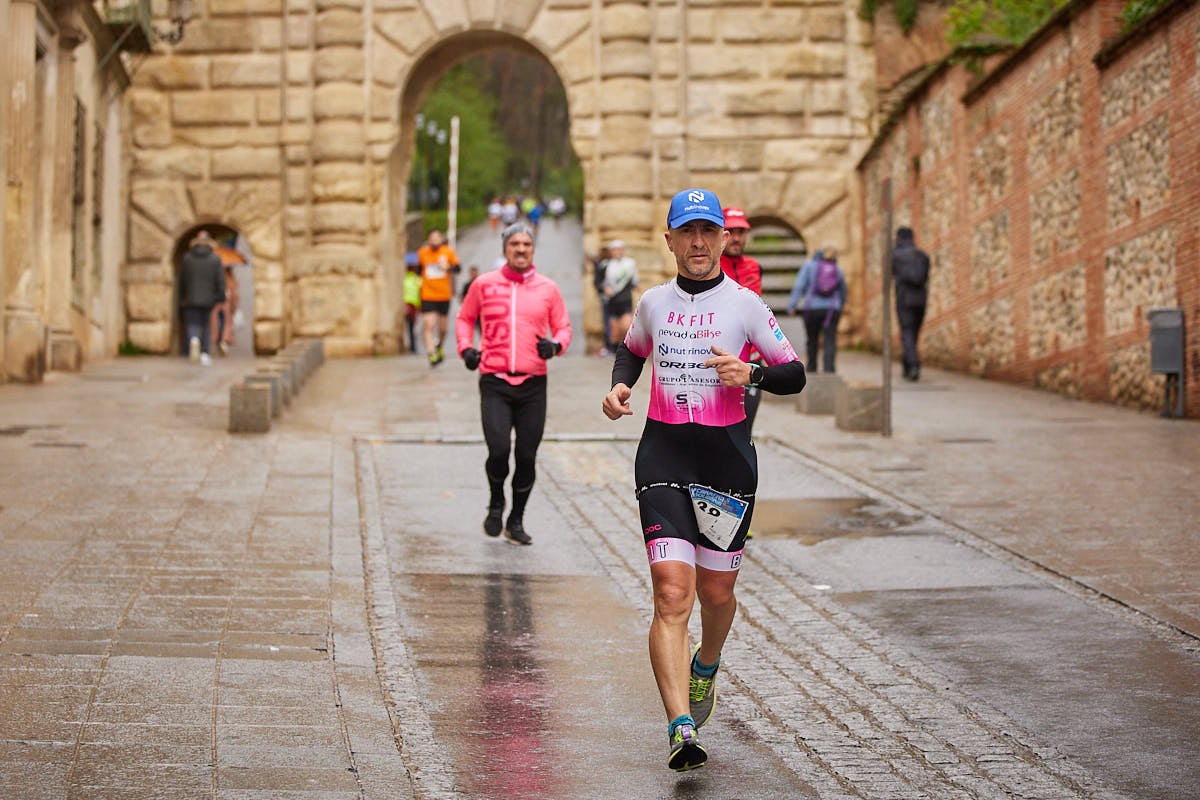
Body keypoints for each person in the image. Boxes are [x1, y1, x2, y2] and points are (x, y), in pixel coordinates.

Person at [601, 188, 806, 771]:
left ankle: (706, 664)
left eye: (708, 232)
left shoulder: (745, 304)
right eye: (687, 232)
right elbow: (631, 351)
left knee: (716, 595)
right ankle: (680, 726)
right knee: (672, 593)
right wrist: (621, 387)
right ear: (669, 240)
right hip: (663, 458)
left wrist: (752, 374)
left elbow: (795, 374)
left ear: (723, 239)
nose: (698, 243)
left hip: (726, 465)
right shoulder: (652, 303)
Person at [457, 222, 572, 546]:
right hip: (494, 380)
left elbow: (563, 327)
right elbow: (465, 318)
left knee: (525, 455)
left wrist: (555, 346)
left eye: (526, 244)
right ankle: (496, 501)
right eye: (515, 244)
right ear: (505, 248)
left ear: (533, 250)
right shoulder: (483, 284)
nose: (521, 249)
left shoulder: (548, 288)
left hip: (533, 384)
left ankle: (516, 519)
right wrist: (466, 348)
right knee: (498, 451)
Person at [719, 206, 765, 432]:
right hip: (721, 361)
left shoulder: (755, 267)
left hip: (752, 360)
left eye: (742, 232)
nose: (737, 238)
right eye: (732, 231)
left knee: (746, 429)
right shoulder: (710, 267)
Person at [786, 246, 847, 373]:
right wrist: (840, 306)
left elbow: (799, 285)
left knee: (812, 338)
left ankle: (812, 367)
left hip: (812, 307)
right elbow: (843, 291)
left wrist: (792, 305)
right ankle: (829, 370)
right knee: (830, 339)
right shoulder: (836, 269)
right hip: (832, 309)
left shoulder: (809, 266)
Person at [178, 230, 225, 366]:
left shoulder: (187, 258)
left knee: (192, 322)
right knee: (205, 324)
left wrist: (182, 296)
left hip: (190, 297)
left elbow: (182, 279)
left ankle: (194, 340)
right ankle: (204, 352)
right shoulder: (215, 259)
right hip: (208, 298)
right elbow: (220, 279)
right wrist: (220, 295)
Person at [416, 229, 460, 366]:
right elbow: (418, 270)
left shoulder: (448, 252)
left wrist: (448, 267)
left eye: (437, 238)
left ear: (441, 239)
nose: (434, 240)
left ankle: (439, 345)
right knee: (429, 325)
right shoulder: (422, 253)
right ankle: (431, 354)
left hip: (443, 295)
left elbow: (458, 268)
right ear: (428, 240)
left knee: (443, 329)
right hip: (428, 294)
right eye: (432, 238)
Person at [892, 226, 931, 381]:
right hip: (921, 298)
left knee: (906, 332)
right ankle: (907, 366)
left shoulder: (895, 255)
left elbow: (891, 275)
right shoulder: (922, 256)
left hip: (904, 298)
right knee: (913, 333)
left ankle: (913, 365)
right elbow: (925, 277)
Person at [601, 240, 637, 353]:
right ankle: (616, 352)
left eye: (619, 250)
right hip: (612, 301)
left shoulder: (629, 263)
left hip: (625, 299)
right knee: (614, 330)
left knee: (626, 326)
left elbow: (634, 280)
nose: (617, 252)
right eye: (615, 250)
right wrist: (604, 290)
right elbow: (601, 282)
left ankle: (628, 349)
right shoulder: (606, 265)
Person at [211, 264, 239, 356]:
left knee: (216, 324)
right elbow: (235, 295)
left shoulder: (215, 277)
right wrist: (234, 306)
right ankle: (223, 342)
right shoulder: (231, 279)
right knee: (226, 325)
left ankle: (217, 341)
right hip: (227, 305)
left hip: (216, 305)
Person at [590, 246, 613, 355]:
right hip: (610, 296)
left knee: (608, 321)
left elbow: (598, 282)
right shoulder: (607, 264)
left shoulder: (602, 265)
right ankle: (611, 346)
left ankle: (610, 346)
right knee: (610, 321)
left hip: (607, 297)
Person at [403, 253, 422, 355]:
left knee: (411, 327)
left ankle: (413, 347)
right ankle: (412, 347)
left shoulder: (413, 278)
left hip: (412, 305)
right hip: (410, 305)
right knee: (410, 328)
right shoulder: (414, 279)